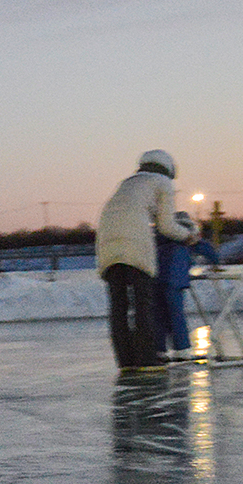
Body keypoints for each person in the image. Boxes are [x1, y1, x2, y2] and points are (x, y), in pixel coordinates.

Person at [96, 150, 198, 371]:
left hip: (107, 243)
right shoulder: (162, 183)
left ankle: (126, 361)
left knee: (119, 306)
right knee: (144, 304)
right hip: (134, 246)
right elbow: (167, 226)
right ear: (168, 169)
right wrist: (188, 236)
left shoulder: (128, 182)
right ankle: (147, 359)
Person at [154, 211, 221, 361]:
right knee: (176, 315)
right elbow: (206, 249)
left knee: (159, 317)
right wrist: (216, 263)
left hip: (155, 280)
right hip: (174, 280)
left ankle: (159, 351)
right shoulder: (186, 234)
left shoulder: (160, 234)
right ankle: (182, 350)